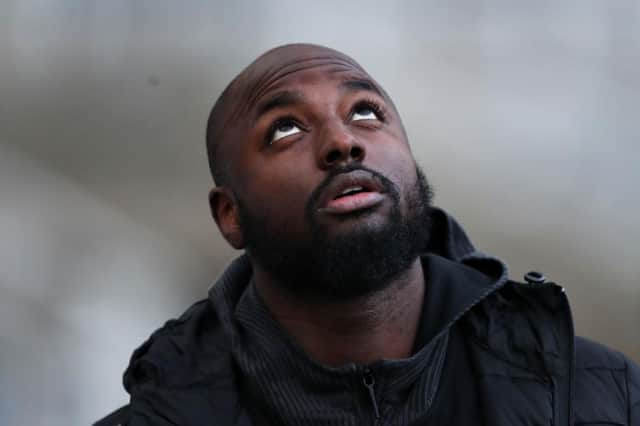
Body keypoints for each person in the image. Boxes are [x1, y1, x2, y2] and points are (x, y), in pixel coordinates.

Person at [95, 44, 639, 426]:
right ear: (230, 215)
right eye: (285, 129)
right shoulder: (163, 414)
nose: (342, 142)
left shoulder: (606, 396)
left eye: (365, 112)